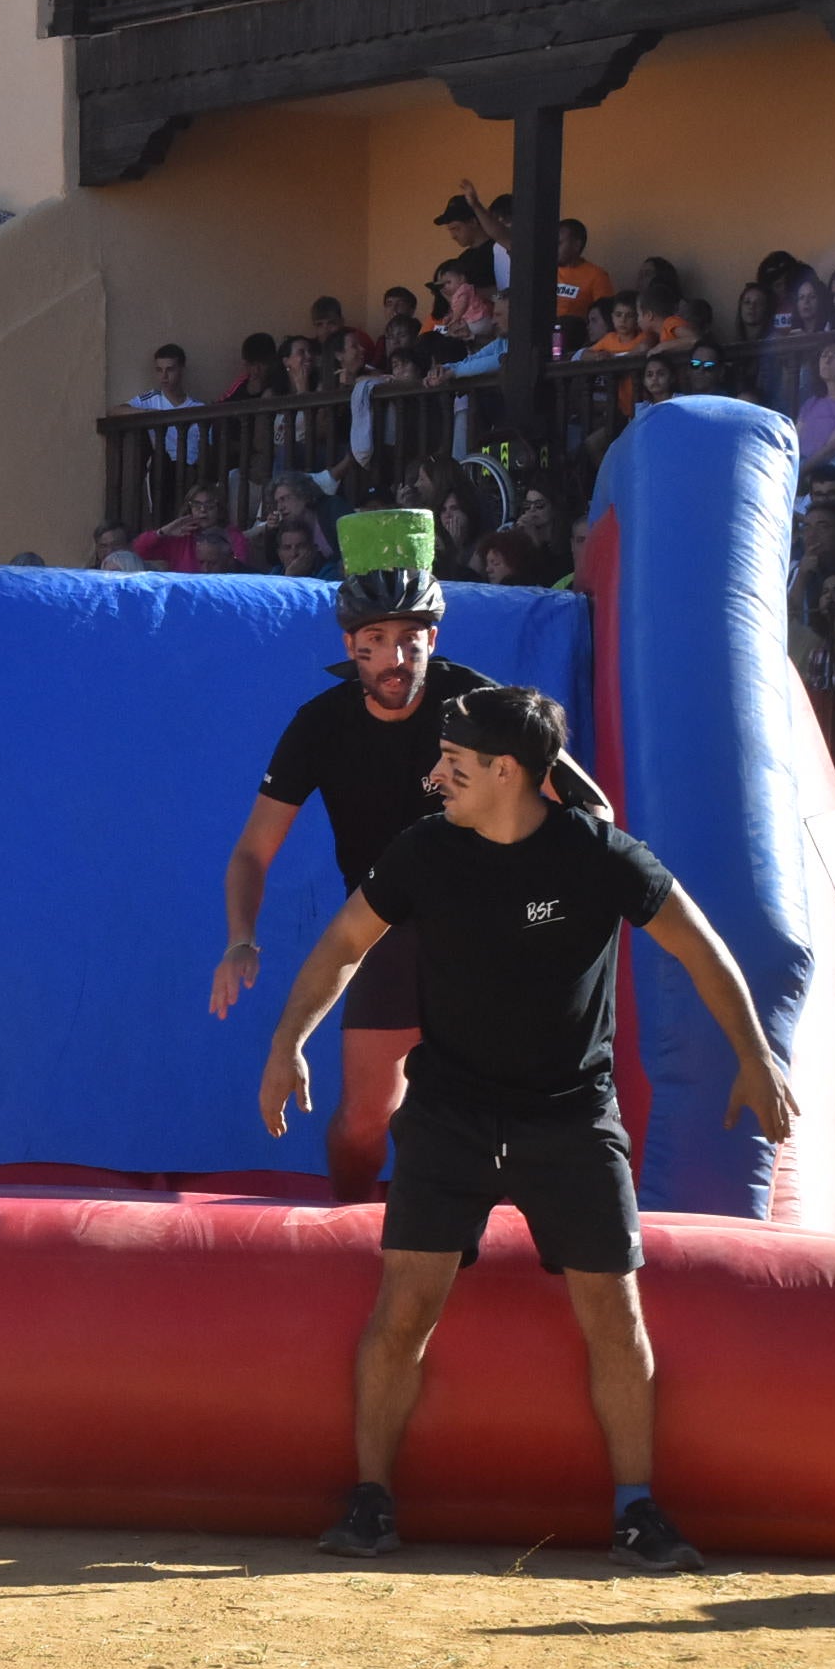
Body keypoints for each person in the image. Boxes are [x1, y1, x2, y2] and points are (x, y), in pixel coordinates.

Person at [258, 683, 798, 1572]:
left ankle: (636, 1511)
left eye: (455, 765)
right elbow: (343, 944)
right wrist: (288, 1044)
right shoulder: (425, 852)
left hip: (571, 1118)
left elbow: (702, 947)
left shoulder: (600, 855)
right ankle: (370, 1501)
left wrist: (757, 1056)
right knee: (403, 1309)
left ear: (508, 772)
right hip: (447, 1116)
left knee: (615, 1314)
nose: (436, 778)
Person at [211, 508, 604, 1200]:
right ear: (351, 644)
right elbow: (251, 852)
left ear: (434, 638)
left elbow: (589, 808)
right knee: (366, 1121)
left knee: (510, 1122)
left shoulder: (476, 702)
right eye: (376, 640)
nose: (396, 659)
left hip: (487, 926)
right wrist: (241, 938)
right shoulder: (321, 725)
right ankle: (351, 1227)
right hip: (385, 923)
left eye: (411, 640)